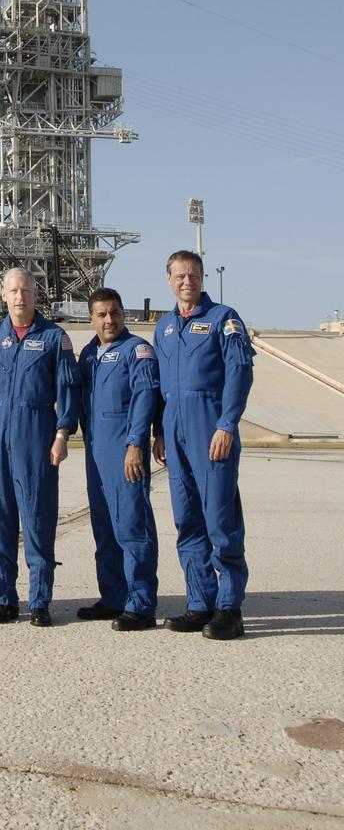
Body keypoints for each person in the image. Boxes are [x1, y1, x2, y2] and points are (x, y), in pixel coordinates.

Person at [154, 250, 254, 640]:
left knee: (220, 519)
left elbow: (239, 373)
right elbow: (159, 388)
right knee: (187, 520)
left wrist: (227, 424)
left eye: (193, 274)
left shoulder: (223, 319)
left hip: (211, 430)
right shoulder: (163, 327)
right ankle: (200, 603)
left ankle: (229, 607)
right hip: (174, 433)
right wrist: (157, 432)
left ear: (202, 277)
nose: (186, 281)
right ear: (168, 279)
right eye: (179, 275)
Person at [0, 268, 80, 627]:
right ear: (3, 296)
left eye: (26, 290)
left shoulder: (54, 338)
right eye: (13, 290)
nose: (20, 296)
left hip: (36, 432)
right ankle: (4, 599)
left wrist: (62, 433)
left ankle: (39, 600)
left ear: (36, 294)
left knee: (38, 518)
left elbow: (67, 387)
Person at [76, 287, 160, 631]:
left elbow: (145, 397)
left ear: (123, 315)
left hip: (126, 452)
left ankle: (141, 604)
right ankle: (113, 596)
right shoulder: (88, 355)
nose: (109, 320)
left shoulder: (137, 350)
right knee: (105, 529)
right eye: (102, 314)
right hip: (96, 454)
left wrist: (136, 443)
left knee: (132, 527)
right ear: (91, 318)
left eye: (114, 313)